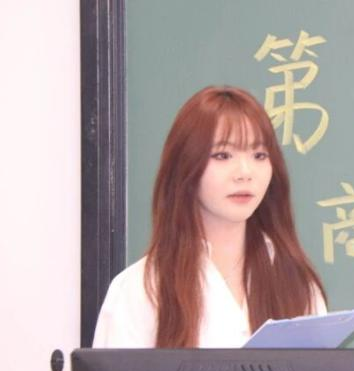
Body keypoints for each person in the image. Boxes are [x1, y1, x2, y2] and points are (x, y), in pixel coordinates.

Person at [93, 86, 327, 348]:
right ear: (186, 166)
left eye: (259, 155)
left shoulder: (296, 283)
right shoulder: (141, 287)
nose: (245, 172)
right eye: (223, 155)